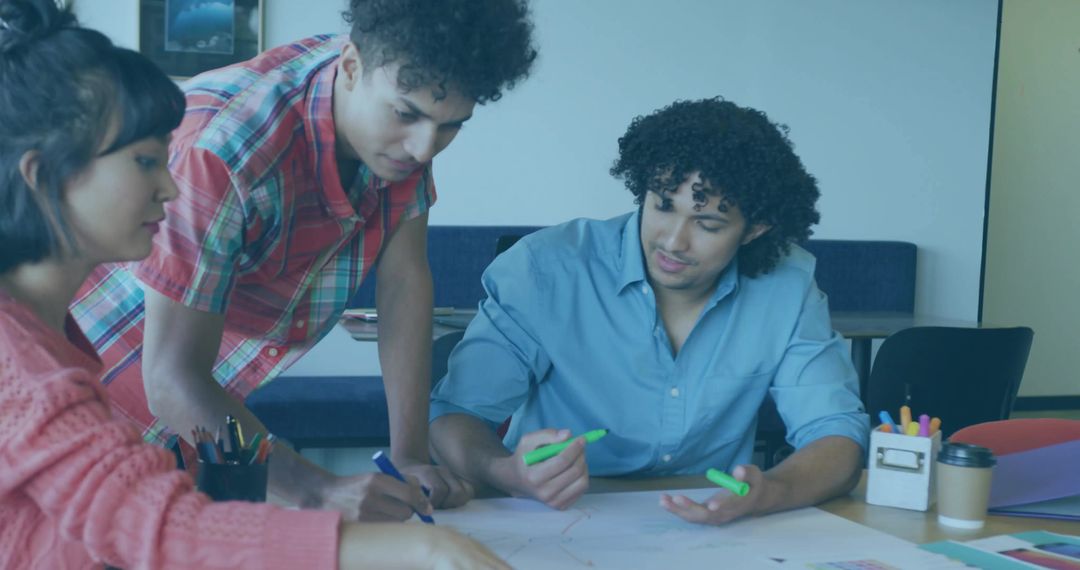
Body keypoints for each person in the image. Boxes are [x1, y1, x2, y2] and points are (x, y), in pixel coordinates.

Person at [0, 2, 508, 568]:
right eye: (146, 161)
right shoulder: (221, 145)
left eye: (448, 128)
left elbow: (406, 283)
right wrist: (411, 542)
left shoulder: (41, 340)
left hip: (174, 433)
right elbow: (163, 520)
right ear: (350, 66)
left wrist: (409, 455)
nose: (423, 149)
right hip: (133, 405)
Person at [428, 98, 870, 525]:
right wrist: (507, 472)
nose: (673, 241)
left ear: (754, 229)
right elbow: (453, 416)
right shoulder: (547, 269)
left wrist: (769, 492)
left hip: (709, 533)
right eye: (662, 205)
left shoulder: (787, 287)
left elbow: (835, 435)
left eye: (708, 224)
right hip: (557, 523)